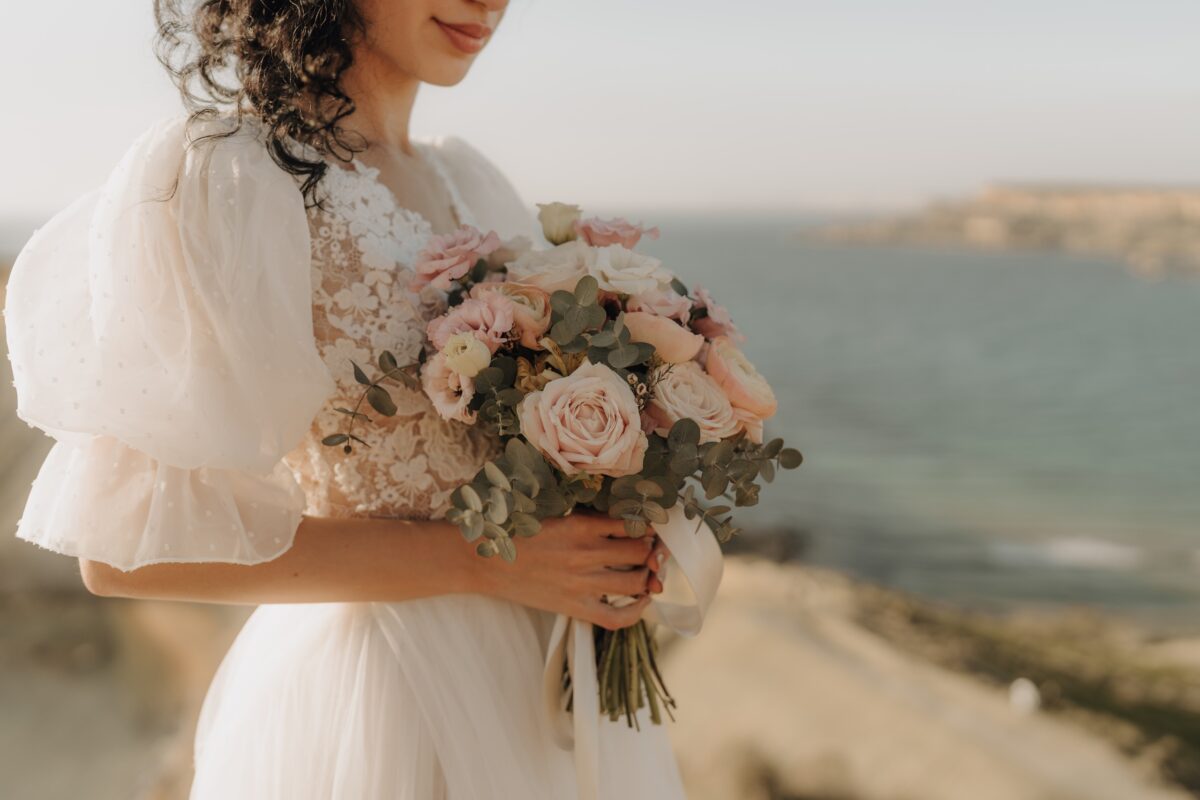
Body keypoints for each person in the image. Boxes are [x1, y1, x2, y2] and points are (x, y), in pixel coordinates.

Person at [5, 1, 687, 797]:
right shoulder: (231, 176)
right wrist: (490, 564)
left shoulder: (468, 180)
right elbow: (126, 553)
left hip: (531, 689)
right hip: (378, 699)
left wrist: (613, 515)